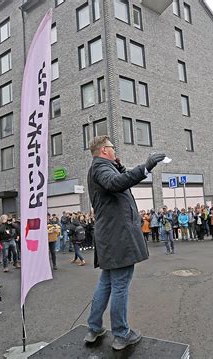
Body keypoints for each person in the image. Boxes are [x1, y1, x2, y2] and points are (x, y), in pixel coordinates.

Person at [84, 135, 165, 351]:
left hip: (110, 236)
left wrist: (120, 168)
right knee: (120, 285)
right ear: (103, 150)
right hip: (117, 236)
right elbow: (115, 184)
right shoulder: (101, 167)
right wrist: (145, 167)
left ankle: (94, 328)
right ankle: (121, 334)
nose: (114, 150)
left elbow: (116, 182)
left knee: (107, 283)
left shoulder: (101, 167)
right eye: (111, 147)